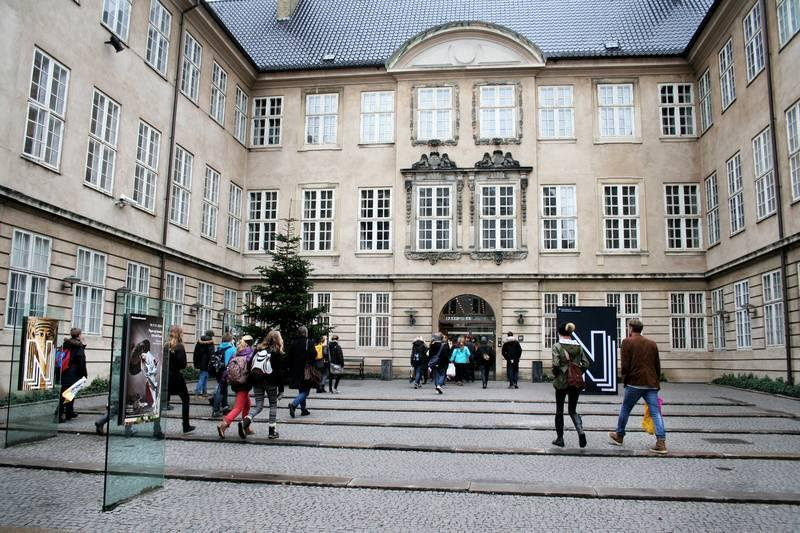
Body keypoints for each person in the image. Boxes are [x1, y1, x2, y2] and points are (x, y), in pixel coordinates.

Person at [609, 318, 667, 454]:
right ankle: (661, 442)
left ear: (630, 328)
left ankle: (619, 435)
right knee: (656, 413)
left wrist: (625, 379)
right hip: (651, 383)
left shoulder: (627, 342)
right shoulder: (652, 344)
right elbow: (657, 365)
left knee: (625, 409)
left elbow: (625, 364)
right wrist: (656, 382)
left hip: (634, 383)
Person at [551, 322, 592, 448]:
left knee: (559, 411)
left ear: (560, 333)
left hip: (562, 381)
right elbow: (586, 364)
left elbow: (556, 363)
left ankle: (560, 438)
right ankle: (581, 432)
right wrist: (577, 373)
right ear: (570, 333)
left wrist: (558, 373)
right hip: (575, 381)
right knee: (573, 410)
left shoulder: (557, 346)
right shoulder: (578, 346)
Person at [242, 331, 284, 439]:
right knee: (273, 405)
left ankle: (246, 420)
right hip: (271, 382)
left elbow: (250, 363)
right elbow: (279, 372)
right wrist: (281, 389)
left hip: (257, 381)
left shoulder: (258, 349)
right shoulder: (276, 351)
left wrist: (251, 380)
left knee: (259, 405)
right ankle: (272, 431)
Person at [217, 335, 255, 439]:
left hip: (235, 383)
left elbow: (227, 369)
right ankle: (224, 425)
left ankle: (246, 427)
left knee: (247, 404)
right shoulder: (250, 354)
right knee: (238, 407)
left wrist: (223, 382)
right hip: (244, 383)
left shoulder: (236, 354)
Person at [166, 325, 195, 434]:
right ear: (180, 334)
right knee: (186, 400)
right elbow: (183, 365)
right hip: (176, 378)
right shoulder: (179, 347)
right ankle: (186, 425)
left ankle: (157, 428)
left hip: (165, 377)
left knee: (162, 403)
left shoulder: (166, 346)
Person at [57, 328, 87, 423]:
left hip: (65, 371)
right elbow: (81, 361)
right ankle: (59, 414)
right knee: (68, 393)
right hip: (74, 372)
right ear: (78, 335)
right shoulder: (79, 346)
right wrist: (84, 374)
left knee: (68, 393)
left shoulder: (66, 343)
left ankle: (69, 412)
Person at [288, 326, 316, 417]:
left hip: (296, 370)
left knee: (301, 390)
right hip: (306, 370)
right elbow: (313, 355)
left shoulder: (293, 343)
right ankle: (294, 404)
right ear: (305, 333)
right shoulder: (309, 342)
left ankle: (303, 409)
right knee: (306, 391)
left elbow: (290, 357)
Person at [210, 334, 236, 417]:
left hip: (218, 371)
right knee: (220, 390)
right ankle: (216, 410)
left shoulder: (219, 347)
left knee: (223, 388)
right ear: (230, 340)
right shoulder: (232, 349)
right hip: (225, 371)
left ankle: (225, 406)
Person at [192, 330, 214, 397]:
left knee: (205, 377)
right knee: (203, 377)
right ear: (211, 335)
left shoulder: (199, 342)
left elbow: (195, 353)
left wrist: (196, 362)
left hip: (200, 362)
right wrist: (212, 362)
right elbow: (211, 353)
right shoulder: (210, 343)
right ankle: (197, 391)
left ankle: (204, 391)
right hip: (206, 362)